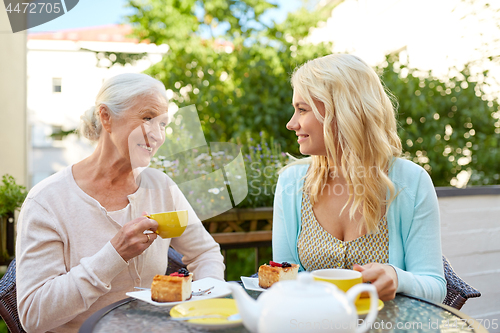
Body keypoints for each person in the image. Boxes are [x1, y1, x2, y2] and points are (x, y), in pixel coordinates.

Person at [16, 73, 225, 333]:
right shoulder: (47, 201)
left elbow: (205, 253)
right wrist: (114, 254)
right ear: (106, 117)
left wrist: (203, 302)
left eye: (163, 124)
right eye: (147, 118)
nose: (157, 136)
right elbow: (34, 315)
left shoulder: (162, 188)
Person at [272, 54, 446, 303]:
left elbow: (436, 287)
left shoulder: (411, 181)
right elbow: (283, 280)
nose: (291, 123)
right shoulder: (291, 183)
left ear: (341, 111)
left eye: (302, 110)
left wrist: (397, 278)